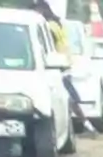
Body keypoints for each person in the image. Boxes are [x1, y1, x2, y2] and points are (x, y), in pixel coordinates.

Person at [31, 0, 87, 130]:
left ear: (42, 10)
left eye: (36, 10)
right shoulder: (57, 23)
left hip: (56, 66)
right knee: (70, 98)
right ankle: (84, 123)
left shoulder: (48, 27)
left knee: (65, 99)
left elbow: (47, 47)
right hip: (64, 63)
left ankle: (82, 124)